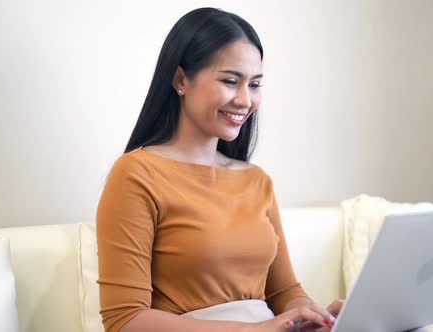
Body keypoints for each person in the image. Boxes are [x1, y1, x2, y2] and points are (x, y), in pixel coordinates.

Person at [96, 7, 344, 332]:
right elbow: (124, 320)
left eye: (254, 85)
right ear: (180, 79)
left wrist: (317, 318)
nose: (245, 100)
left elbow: (284, 293)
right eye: (230, 81)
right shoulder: (135, 174)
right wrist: (252, 330)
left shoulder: (257, 181)